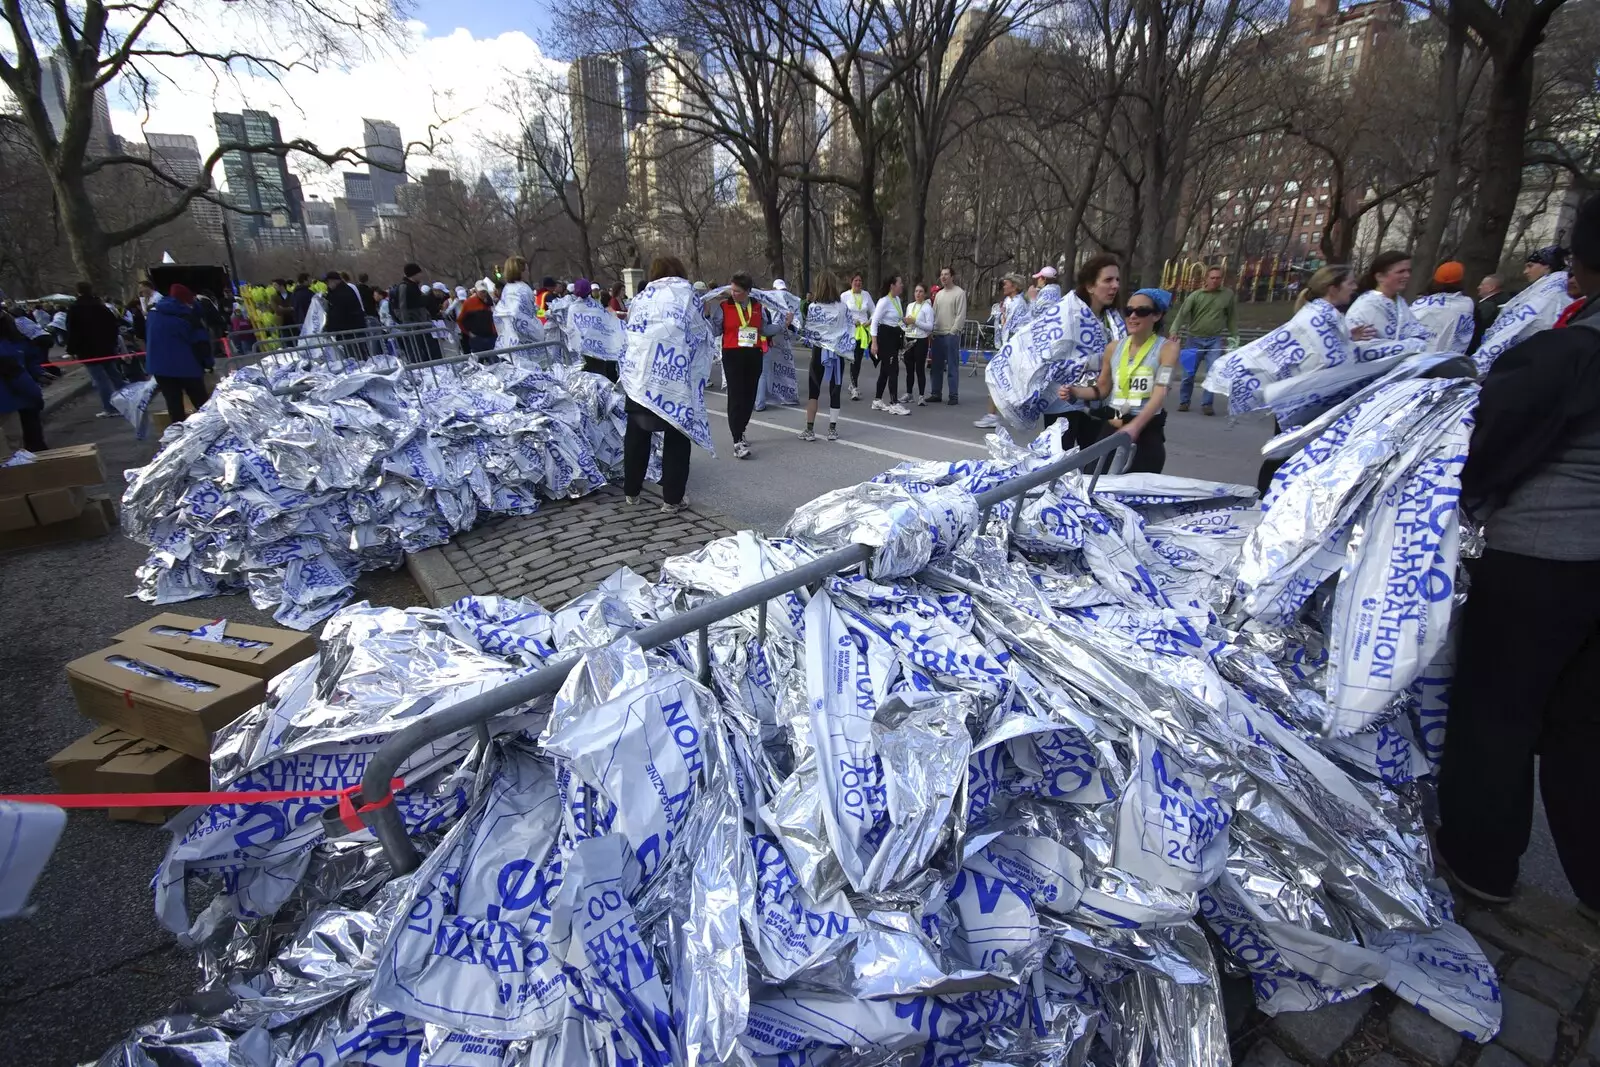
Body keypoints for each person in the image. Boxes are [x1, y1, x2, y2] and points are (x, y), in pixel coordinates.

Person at [1435, 193, 1600, 916]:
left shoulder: (1571, 351)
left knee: (1497, 714)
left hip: (1541, 557)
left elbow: (1481, 444)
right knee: (1584, 726)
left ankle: (1481, 861)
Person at [1059, 286, 1177, 472]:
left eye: (1142, 311)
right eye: (1129, 311)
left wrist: (1135, 427)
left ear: (1157, 315)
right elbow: (1102, 389)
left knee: (1135, 494)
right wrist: (1075, 391)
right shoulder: (1113, 348)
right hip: (1113, 426)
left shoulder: (1167, 348)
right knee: (1093, 485)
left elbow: (1160, 391)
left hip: (1146, 429)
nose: (1133, 316)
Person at [622, 255, 696, 513]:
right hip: (672, 378)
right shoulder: (686, 296)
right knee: (676, 439)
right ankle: (672, 499)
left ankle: (631, 491)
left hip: (639, 377)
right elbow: (699, 334)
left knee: (636, 437)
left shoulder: (640, 299)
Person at [1044, 253, 1123, 449]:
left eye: (1117, 280)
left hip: (1097, 403)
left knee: (1093, 466)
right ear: (1090, 286)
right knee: (1058, 467)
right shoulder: (1066, 315)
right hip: (1061, 402)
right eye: (1108, 280)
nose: (1115, 285)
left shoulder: (1114, 320)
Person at [705, 272, 778, 458]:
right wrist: (705, 316)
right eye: (732, 290)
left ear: (747, 291)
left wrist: (782, 325)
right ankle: (737, 440)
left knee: (749, 396)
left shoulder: (757, 307)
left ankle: (741, 429)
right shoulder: (725, 307)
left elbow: (764, 329)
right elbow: (714, 330)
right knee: (736, 396)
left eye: (737, 291)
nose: (733, 293)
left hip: (753, 354)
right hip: (732, 354)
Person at [1168, 265, 1238, 414]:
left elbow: (1231, 318)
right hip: (1193, 339)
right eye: (1212, 278)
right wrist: (1174, 330)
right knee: (1188, 374)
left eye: (1218, 278)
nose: (1215, 281)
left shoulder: (1227, 295)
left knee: (1212, 373)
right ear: (1206, 279)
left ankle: (1207, 404)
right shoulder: (1196, 296)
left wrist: (1234, 338)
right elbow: (1182, 314)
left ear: (1222, 279)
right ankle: (1184, 401)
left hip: (1214, 340)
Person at [145, 283, 213, 424]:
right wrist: (208, 364)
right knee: (202, 404)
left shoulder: (153, 313)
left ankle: (179, 435)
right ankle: (211, 429)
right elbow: (201, 344)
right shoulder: (188, 317)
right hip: (187, 366)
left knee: (173, 403)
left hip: (160, 368)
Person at [799, 270, 853, 442]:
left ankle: (809, 429)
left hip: (818, 352)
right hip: (836, 353)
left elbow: (809, 333)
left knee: (813, 391)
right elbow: (849, 329)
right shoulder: (843, 307)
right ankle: (832, 429)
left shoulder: (814, 308)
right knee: (835, 390)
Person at [974, 273, 1030, 429]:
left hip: (1011, 349)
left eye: (1006, 284)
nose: (1003, 286)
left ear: (1015, 286)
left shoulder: (1019, 304)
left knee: (996, 379)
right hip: (1003, 346)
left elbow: (1015, 328)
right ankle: (995, 415)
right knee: (998, 381)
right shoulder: (1007, 301)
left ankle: (995, 415)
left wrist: (1009, 349)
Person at [65, 281, 127, 419]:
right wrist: (112, 343)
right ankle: (129, 400)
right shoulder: (101, 307)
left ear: (78, 292)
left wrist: (71, 350)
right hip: (106, 347)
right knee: (115, 375)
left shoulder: (75, 309)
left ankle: (110, 407)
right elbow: (113, 325)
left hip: (87, 350)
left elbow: (72, 331)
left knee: (101, 380)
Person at [1347, 251, 1431, 343]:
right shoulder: (1366, 306)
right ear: (1380, 276)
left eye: (1409, 271)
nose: (1407, 275)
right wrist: (1410, 345)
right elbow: (1366, 348)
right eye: (1401, 271)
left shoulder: (1399, 301)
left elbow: (1418, 334)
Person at [1410, 261, 1479, 355]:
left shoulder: (1419, 304)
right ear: (1461, 281)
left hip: (1416, 359)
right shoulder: (1468, 305)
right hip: (1450, 362)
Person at [0, 314, 46, 451]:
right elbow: (18, 375)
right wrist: (36, 395)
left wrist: (38, 372)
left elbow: (29, 359)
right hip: (14, 401)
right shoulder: (8, 347)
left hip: (18, 400)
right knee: (16, 443)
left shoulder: (15, 343)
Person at [870, 274, 910, 415]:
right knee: (893, 370)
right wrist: (874, 343)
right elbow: (874, 322)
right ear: (892, 286)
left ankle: (877, 400)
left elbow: (897, 320)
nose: (902, 285)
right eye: (900, 283)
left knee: (885, 370)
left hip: (894, 336)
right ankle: (894, 403)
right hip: (885, 338)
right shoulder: (884, 301)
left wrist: (905, 321)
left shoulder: (897, 300)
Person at [930, 265, 967, 404]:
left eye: (946, 274)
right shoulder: (939, 294)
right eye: (942, 275)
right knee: (936, 367)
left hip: (951, 335)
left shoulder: (959, 293)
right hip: (938, 335)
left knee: (952, 366)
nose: (943, 277)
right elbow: (933, 314)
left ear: (952, 277)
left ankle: (953, 395)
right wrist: (932, 330)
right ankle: (936, 393)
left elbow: (961, 315)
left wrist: (953, 331)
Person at [495, 256, 543, 350]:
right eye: (526, 270)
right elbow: (526, 313)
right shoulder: (524, 289)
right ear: (520, 272)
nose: (528, 273)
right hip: (528, 340)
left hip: (511, 339)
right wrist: (539, 332)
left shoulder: (507, 288)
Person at [842, 272, 874, 401]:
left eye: (860, 280)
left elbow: (874, 310)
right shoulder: (845, 296)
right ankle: (855, 387)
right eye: (856, 280)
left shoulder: (866, 295)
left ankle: (853, 383)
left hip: (864, 332)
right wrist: (850, 320)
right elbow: (840, 312)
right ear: (851, 282)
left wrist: (870, 321)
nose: (858, 283)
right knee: (853, 359)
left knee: (858, 359)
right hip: (851, 331)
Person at [901, 283, 935, 406]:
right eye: (916, 291)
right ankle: (909, 393)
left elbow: (930, 327)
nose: (918, 294)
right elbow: (906, 322)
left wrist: (915, 321)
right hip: (909, 338)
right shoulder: (910, 306)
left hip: (921, 339)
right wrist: (905, 322)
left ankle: (921, 396)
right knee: (909, 369)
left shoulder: (927, 308)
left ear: (924, 294)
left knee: (919, 369)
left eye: (921, 291)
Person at [457, 281, 498, 354]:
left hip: (491, 337)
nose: (483, 293)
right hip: (477, 338)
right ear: (476, 290)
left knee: (494, 361)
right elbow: (460, 320)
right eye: (480, 291)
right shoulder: (469, 302)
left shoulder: (490, 301)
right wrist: (468, 333)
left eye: (484, 291)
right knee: (479, 362)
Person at [324, 271, 367, 337]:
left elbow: (337, 313)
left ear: (334, 281)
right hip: (349, 329)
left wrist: (330, 328)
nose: (327, 285)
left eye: (328, 282)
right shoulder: (338, 291)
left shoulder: (342, 293)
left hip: (350, 330)